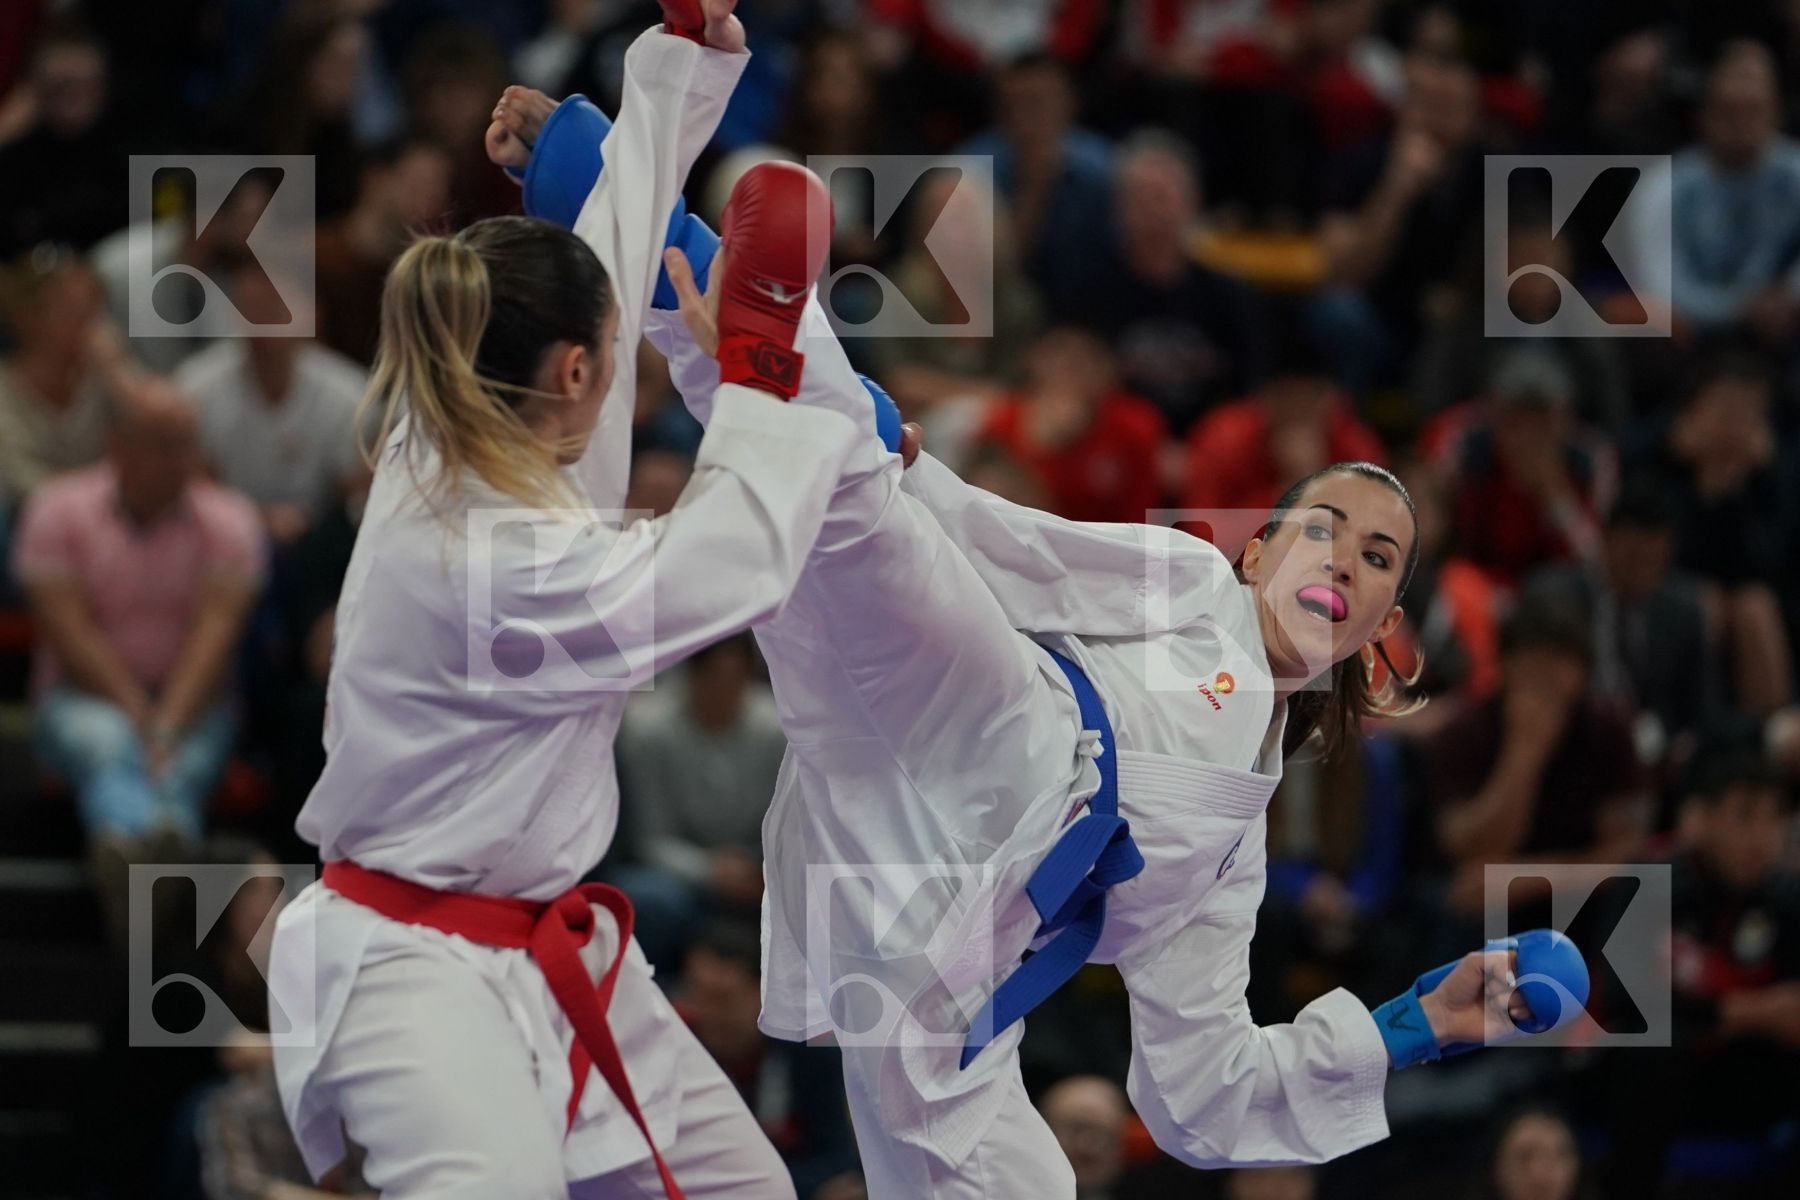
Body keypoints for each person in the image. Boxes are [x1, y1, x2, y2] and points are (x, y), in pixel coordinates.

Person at [524, 38, 1592, 1200]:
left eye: (1380, 555)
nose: (1347, 559)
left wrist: (1414, 1022)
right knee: (854, 501)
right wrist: (904, 460)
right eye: (1324, 526)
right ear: (1263, 547)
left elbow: (1206, 1092)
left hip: (932, 950)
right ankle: (619, 201)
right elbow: (1014, 552)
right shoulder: (1190, 584)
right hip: (979, 715)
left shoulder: (1237, 845)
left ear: (1387, 614)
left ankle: (768, 371)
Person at [266, 7, 864, 1199]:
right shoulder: (498, 562)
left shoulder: (485, 431)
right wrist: (753, 377)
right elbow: (735, 559)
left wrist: (673, 67)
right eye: (618, 354)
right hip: (413, 966)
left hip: (552, 945)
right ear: (580, 374)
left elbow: (616, 246)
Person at [10, 374, 263, 938]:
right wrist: (142, 718)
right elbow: (71, 635)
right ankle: (166, 851)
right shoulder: (56, 509)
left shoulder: (232, 519)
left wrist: (166, 725)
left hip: (194, 701)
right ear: (117, 446)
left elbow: (213, 637)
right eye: (163, 444)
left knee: (185, 756)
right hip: (82, 697)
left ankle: (125, 850)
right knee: (106, 741)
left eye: (187, 443)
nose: (180, 460)